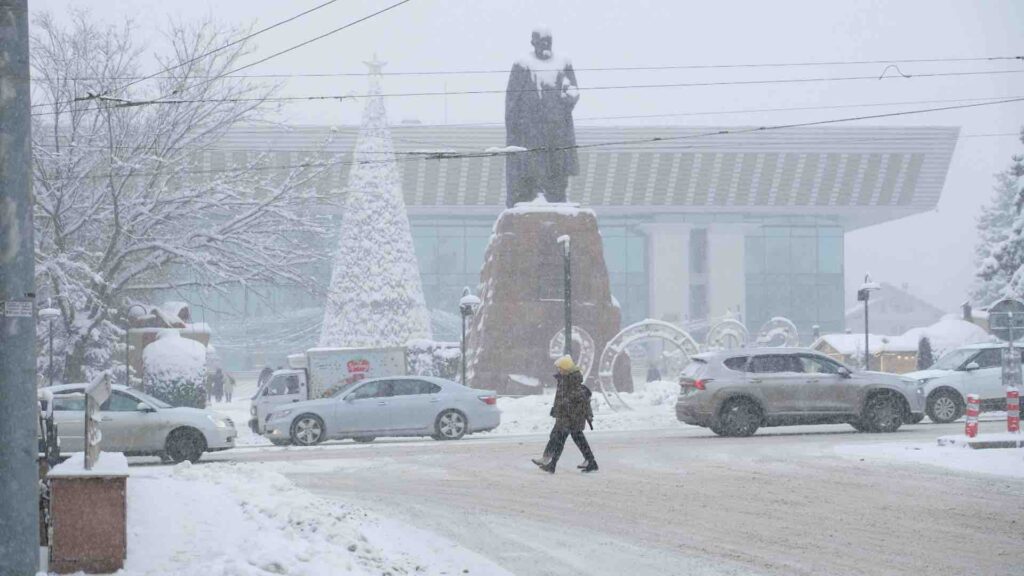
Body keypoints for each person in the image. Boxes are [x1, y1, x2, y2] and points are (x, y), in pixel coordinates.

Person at [504, 26, 580, 207]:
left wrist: (570, 95)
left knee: (557, 164)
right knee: (534, 163)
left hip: (558, 127)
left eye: (548, 41)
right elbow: (512, 99)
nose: (545, 44)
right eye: (541, 41)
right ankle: (535, 195)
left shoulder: (563, 62)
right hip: (531, 129)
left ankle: (557, 196)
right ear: (533, 42)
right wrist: (514, 127)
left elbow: (573, 89)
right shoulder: (522, 64)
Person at [531, 355, 598, 473]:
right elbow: (562, 399)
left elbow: (573, 399)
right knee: (566, 437)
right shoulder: (564, 379)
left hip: (571, 417)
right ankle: (590, 461)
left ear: (566, 369)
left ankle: (551, 463)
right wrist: (556, 408)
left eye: (560, 368)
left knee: (560, 439)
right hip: (566, 416)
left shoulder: (572, 381)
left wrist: (562, 407)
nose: (559, 370)